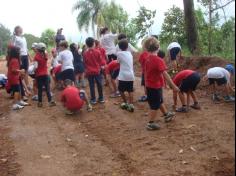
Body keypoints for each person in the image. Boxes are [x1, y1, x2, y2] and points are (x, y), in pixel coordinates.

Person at [144, 37, 179, 131]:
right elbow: (165, 74)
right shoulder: (159, 60)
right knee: (155, 105)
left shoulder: (148, 59)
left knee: (159, 101)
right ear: (158, 47)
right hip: (155, 86)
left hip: (150, 85)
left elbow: (147, 72)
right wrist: (174, 86)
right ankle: (150, 123)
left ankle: (166, 114)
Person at [34, 43, 56, 107]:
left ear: (38, 49)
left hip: (39, 75)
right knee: (47, 88)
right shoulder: (45, 54)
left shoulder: (36, 57)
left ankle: (40, 102)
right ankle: (50, 101)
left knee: (40, 89)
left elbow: (35, 67)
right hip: (45, 74)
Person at [83, 37, 104, 105]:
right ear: (93, 43)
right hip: (97, 71)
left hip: (89, 72)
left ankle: (93, 99)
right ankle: (101, 98)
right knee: (99, 84)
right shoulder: (98, 51)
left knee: (91, 85)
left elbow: (85, 63)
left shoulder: (85, 53)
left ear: (87, 44)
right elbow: (100, 62)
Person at [117, 39, 135, 112]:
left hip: (123, 75)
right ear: (127, 47)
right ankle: (131, 105)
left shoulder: (119, 54)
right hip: (131, 75)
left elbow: (118, 62)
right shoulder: (130, 53)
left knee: (121, 90)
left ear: (119, 47)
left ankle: (125, 102)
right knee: (130, 90)